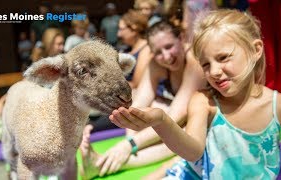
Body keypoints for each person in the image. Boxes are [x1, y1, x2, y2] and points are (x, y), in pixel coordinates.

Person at [109, 9, 281, 179]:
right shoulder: (205, 101)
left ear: (255, 50)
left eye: (223, 58)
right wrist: (161, 121)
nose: (214, 71)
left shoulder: (279, 106)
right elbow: (192, 152)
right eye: (206, 64)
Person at [81, 20, 204, 178]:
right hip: (175, 115)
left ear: (181, 38)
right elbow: (137, 105)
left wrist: (130, 145)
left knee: (181, 133)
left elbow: (176, 116)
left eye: (169, 46)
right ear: (152, 52)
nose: (166, 56)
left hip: (199, 118)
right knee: (150, 102)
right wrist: (129, 142)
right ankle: (105, 162)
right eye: (158, 52)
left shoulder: (193, 62)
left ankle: (100, 164)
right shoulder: (156, 64)